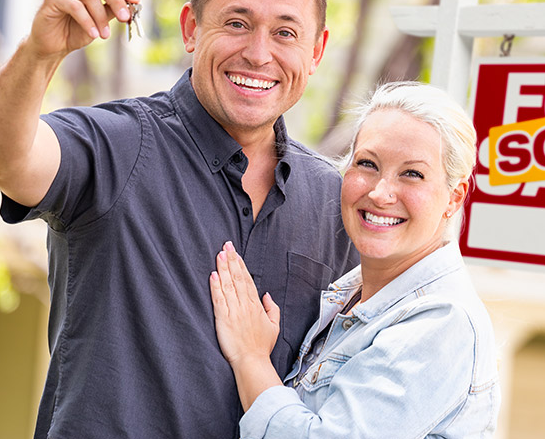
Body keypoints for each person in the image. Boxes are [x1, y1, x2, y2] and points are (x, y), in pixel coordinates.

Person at [0, 0, 359, 438]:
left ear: (316, 51)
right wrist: (39, 54)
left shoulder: (336, 203)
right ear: (191, 29)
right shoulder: (117, 147)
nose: (259, 53)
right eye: (237, 23)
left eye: (285, 33)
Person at [210, 81, 501, 438]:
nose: (380, 193)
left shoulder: (441, 322)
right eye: (367, 164)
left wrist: (251, 359)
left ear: (454, 198)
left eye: (412, 173)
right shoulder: (348, 297)